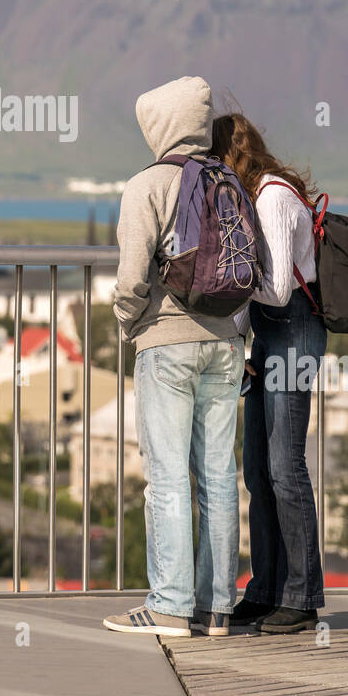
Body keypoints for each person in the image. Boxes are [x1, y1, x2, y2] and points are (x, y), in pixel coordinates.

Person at [104, 77, 245, 638]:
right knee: (218, 476)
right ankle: (216, 609)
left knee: (166, 479)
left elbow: (132, 276)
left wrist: (127, 322)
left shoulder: (148, 185)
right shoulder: (227, 180)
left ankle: (167, 606)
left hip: (168, 341)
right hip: (227, 344)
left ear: (158, 128)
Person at [211, 112, 327, 634]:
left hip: (293, 334)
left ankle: (301, 596)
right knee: (257, 471)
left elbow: (278, 288)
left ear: (234, 159)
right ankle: (264, 589)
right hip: (268, 337)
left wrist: (226, 281)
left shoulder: (274, 199)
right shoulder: (255, 198)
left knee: (285, 467)